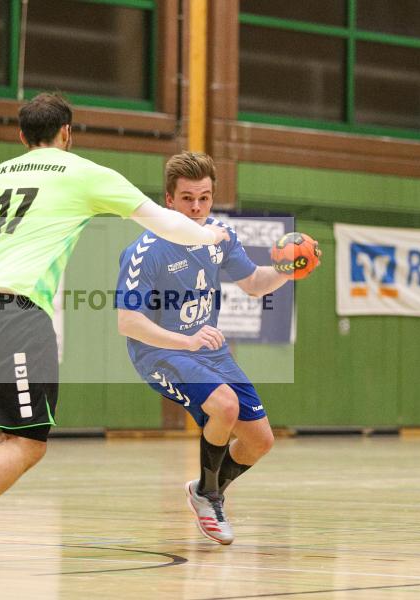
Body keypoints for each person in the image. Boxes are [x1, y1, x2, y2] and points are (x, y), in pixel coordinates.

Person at [0, 93, 229, 574]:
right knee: (28, 442)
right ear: (67, 133)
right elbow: (164, 222)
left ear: (21, 137)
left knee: (2, 428)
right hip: (16, 310)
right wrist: (210, 236)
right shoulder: (82, 172)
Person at [114, 152, 320, 544]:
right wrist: (186, 340)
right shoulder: (146, 251)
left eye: (204, 198)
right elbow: (129, 322)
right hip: (160, 352)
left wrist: (287, 269)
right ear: (168, 201)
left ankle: (203, 490)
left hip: (208, 351)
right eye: (187, 198)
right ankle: (210, 497)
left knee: (260, 440)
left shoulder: (219, 237)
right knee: (224, 405)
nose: (196, 208)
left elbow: (255, 284)